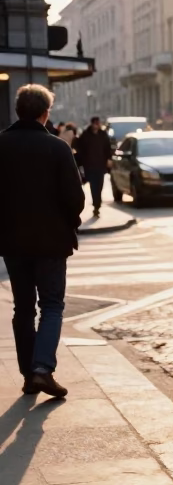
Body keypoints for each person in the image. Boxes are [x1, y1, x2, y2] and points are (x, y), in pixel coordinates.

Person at [0, 85, 85, 398]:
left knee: (23, 307)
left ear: (18, 109)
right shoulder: (57, 148)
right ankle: (42, 370)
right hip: (51, 241)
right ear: (45, 112)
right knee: (51, 305)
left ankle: (28, 374)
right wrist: (68, 221)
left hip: (11, 241)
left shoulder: (1, 144)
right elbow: (75, 198)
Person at [73, 116, 112, 217]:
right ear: (92, 124)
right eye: (95, 124)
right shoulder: (86, 135)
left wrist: (108, 159)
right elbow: (78, 146)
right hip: (89, 166)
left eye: (98, 124)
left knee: (100, 186)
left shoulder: (103, 135)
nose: (97, 125)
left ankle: (97, 204)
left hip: (100, 165)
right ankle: (96, 206)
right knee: (93, 187)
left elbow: (108, 147)